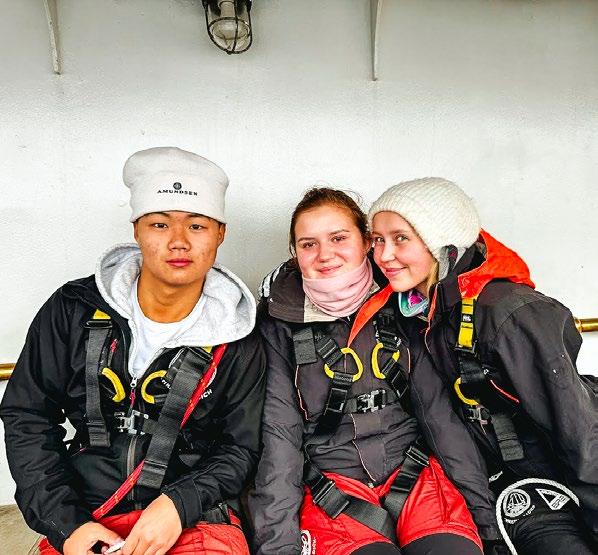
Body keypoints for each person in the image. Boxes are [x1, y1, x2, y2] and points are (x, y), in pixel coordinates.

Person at [0, 146, 266, 555]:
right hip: (88, 515)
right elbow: (28, 415)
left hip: (195, 518)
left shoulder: (240, 335)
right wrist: (67, 524)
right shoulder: (73, 309)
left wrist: (179, 504)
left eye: (197, 226)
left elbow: (240, 447)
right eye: (160, 224)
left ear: (220, 233)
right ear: (137, 230)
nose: (178, 242)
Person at [249, 187, 488, 555]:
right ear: (295, 254)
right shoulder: (277, 325)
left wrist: (487, 525)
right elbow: (280, 438)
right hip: (333, 488)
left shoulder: (403, 301)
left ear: (365, 243)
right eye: (309, 244)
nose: (325, 254)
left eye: (338, 238)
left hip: (414, 473)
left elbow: (439, 416)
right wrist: (279, 548)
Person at [368, 177, 598, 554]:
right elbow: (442, 422)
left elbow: (579, 433)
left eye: (401, 239)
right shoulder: (418, 314)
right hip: (501, 485)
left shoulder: (509, 316)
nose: (383, 255)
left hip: (560, 478)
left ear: (445, 246)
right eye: (377, 240)